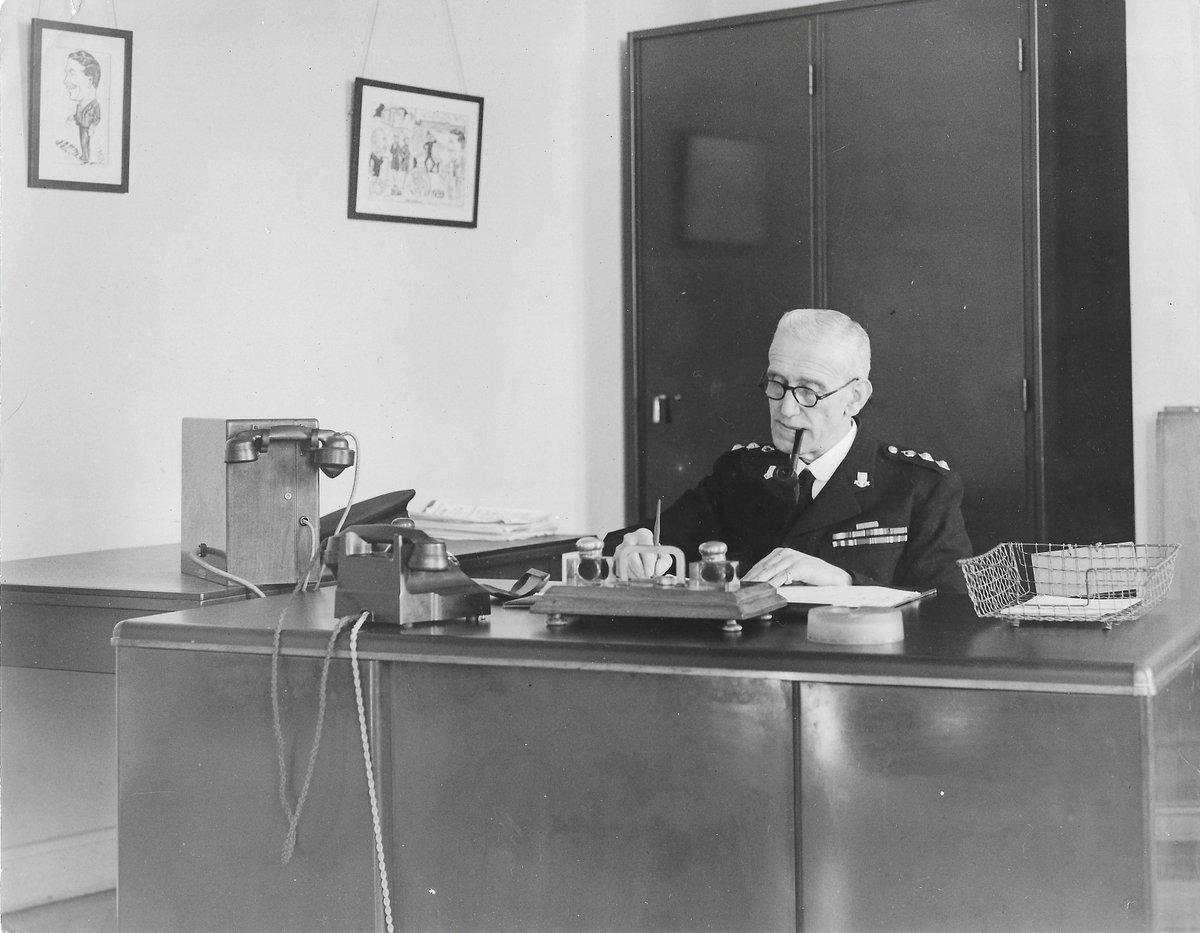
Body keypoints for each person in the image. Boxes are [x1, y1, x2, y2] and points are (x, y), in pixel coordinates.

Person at [610, 308, 972, 592]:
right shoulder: (740, 474)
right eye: (777, 384)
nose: (785, 410)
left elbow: (951, 612)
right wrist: (634, 550)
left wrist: (845, 584)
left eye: (809, 392)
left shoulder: (919, 488)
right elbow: (648, 542)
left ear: (855, 398)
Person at [63, 50, 102, 164]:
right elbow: (78, 114)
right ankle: (85, 157)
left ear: (89, 80)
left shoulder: (94, 104)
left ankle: (87, 158)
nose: (65, 80)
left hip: (87, 128)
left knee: (86, 142)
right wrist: (73, 117)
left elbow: (97, 118)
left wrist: (93, 126)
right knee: (82, 142)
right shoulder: (79, 105)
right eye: (66, 74)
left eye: (72, 73)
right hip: (82, 125)